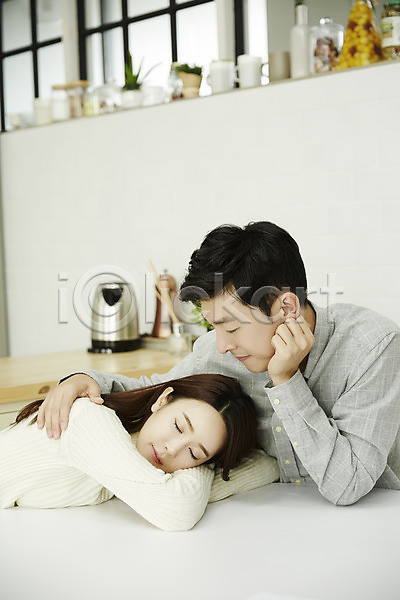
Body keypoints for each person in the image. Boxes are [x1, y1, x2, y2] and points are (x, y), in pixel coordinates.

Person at [37, 221, 400, 506]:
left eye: (231, 327)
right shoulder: (221, 351)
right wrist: (82, 379)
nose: (222, 345)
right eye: (214, 327)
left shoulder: (371, 347)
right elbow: (154, 391)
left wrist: (286, 381)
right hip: (269, 522)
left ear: (286, 308)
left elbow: (347, 485)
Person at [0, 374, 279, 531]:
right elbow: (178, 508)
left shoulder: (130, 466)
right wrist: (203, 466)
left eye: (194, 454)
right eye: (178, 427)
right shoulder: (90, 420)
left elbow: (268, 465)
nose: (171, 449)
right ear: (163, 400)